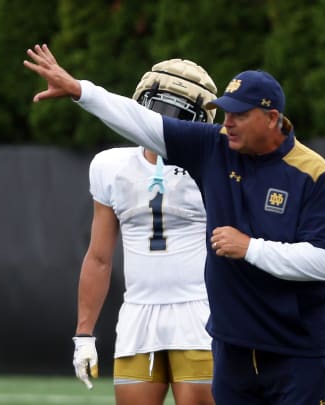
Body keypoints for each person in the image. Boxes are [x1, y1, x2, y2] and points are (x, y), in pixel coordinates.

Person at [25, 44, 325, 405]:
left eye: (239, 115)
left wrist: (249, 247)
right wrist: (80, 90)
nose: (228, 123)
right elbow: (139, 121)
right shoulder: (211, 148)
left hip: (276, 342)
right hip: (225, 341)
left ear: (272, 118)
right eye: (225, 113)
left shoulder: (313, 173)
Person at [71, 58, 218, 405]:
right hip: (138, 314)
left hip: (201, 313)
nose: (166, 123)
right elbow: (99, 256)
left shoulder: (212, 165)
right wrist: (83, 334)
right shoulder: (110, 166)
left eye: (180, 116)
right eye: (159, 109)